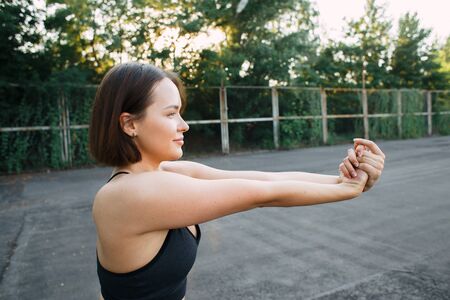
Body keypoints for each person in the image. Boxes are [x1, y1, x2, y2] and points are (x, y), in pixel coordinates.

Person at [88, 62, 385, 300]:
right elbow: (262, 193)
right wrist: (349, 189)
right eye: (171, 114)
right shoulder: (127, 195)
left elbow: (263, 178)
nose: (184, 125)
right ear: (130, 124)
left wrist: (340, 181)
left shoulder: (167, 173)